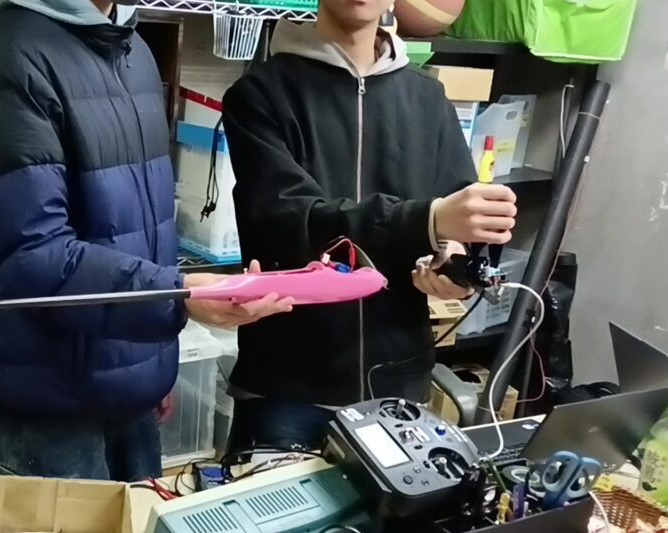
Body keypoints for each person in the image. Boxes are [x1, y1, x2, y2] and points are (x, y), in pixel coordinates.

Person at [0, 0, 292, 481]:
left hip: (130, 393)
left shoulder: (132, 48)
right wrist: (176, 297)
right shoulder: (6, 58)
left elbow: (142, 227)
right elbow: (31, 256)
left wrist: (151, 364)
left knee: (137, 528)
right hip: (46, 406)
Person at [221, 0, 519, 452]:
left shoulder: (428, 99)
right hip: (289, 386)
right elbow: (290, 222)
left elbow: (455, 222)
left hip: (399, 387)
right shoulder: (260, 94)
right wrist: (426, 220)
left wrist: (452, 265)